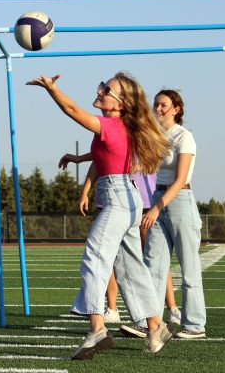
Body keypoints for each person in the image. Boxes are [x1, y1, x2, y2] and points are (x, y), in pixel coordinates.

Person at [28, 72, 171, 360]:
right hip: (126, 196)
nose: (100, 90)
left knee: (95, 256)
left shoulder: (108, 125)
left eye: (107, 89)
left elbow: (71, 110)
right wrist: (78, 158)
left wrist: (52, 89)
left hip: (118, 198)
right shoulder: (120, 127)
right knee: (130, 267)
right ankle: (155, 324)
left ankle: (97, 328)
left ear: (120, 103)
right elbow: (106, 155)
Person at [121, 90, 206, 339]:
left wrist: (156, 208)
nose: (157, 108)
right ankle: (152, 322)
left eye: (163, 105)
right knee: (153, 265)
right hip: (159, 199)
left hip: (179, 201)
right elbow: (143, 164)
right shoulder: (157, 136)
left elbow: (180, 180)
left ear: (176, 109)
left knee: (189, 267)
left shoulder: (184, 136)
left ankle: (194, 325)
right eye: (156, 104)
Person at [75, 165, 181, 326]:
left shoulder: (140, 141)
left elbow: (152, 154)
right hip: (110, 196)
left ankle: (170, 308)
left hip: (140, 196)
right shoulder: (112, 143)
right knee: (110, 256)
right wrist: (80, 162)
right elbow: (100, 155)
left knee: (153, 257)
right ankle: (113, 309)